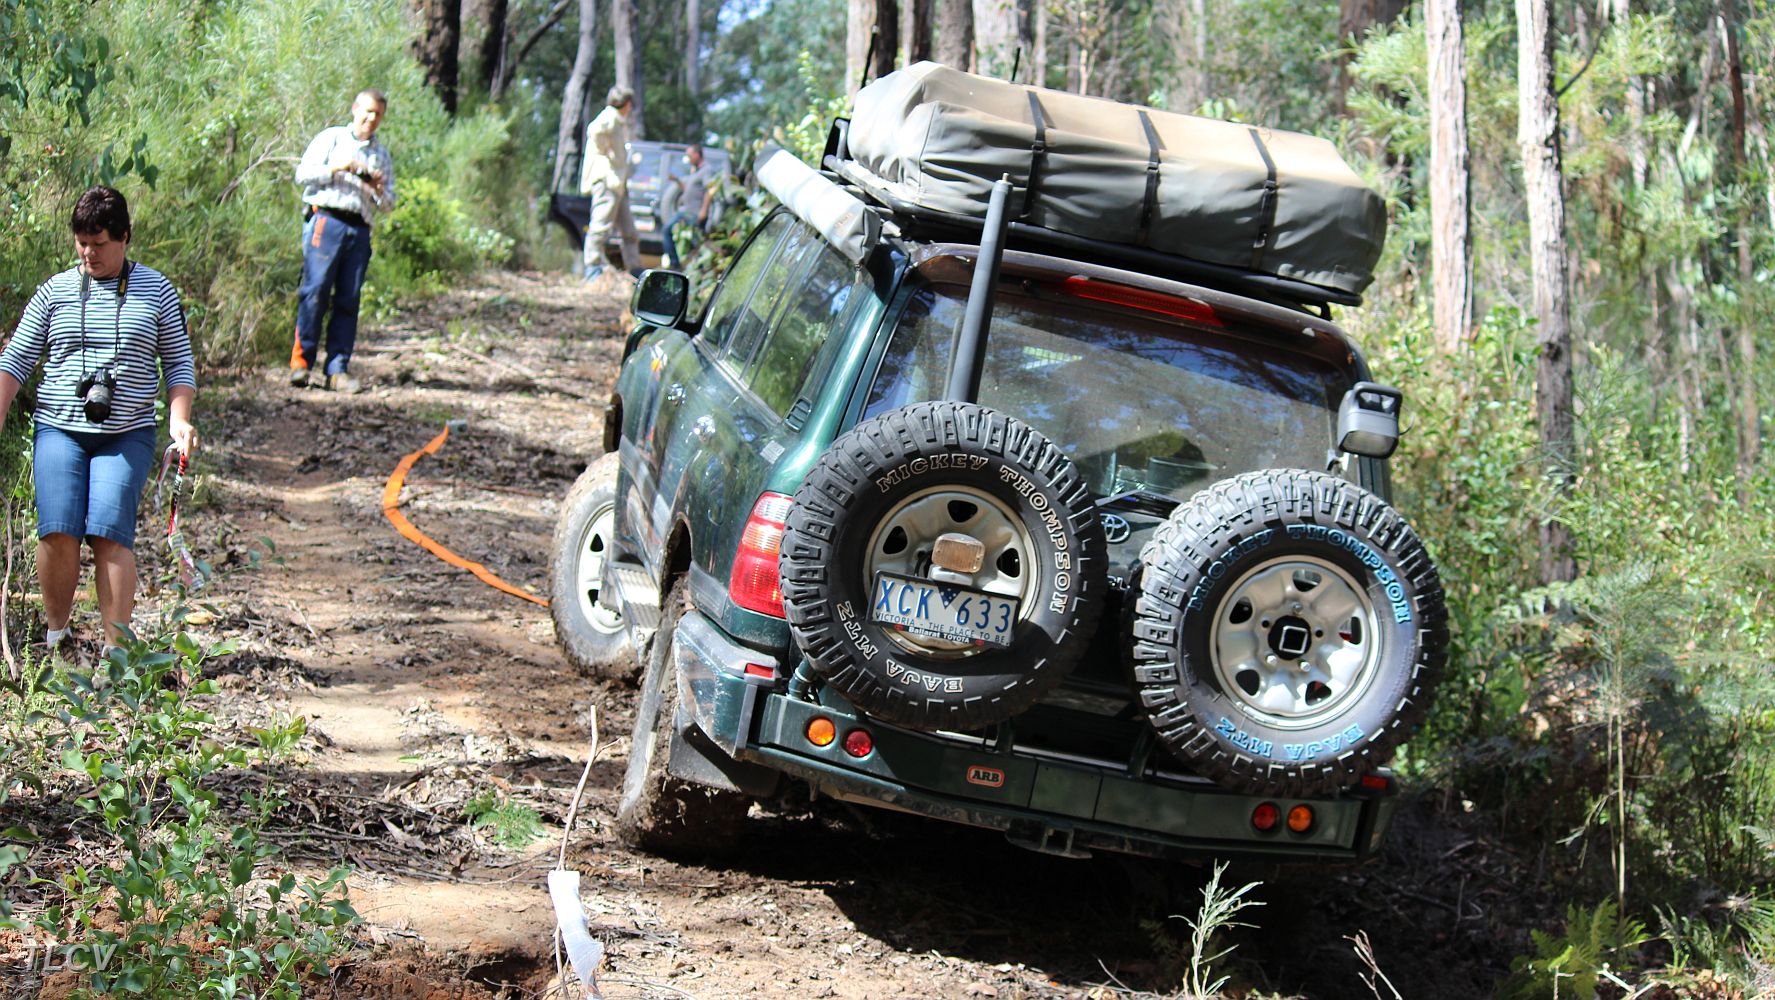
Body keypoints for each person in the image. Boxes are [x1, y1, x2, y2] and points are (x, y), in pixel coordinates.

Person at [0, 186, 198, 650]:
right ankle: (58, 638)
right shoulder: (56, 290)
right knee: (57, 528)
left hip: (125, 433)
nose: (89, 253)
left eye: (100, 243)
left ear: (125, 237)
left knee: (109, 534)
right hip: (59, 429)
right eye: (82, 242)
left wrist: (179, 419)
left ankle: (116, 653)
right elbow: (15, 361)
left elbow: (179, 362)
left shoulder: (156, 290)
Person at [291, 89, 396, 394]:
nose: (371, 118)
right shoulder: (332, 139)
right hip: (326, 219)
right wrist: (337, 167)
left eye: (377, 114)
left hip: (360, 227)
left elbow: (389, 203)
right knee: (314, 290)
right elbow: (303, 175)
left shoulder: (381, 155)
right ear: (354, 109)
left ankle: (337, 369)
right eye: (367, 111)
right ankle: (301, 364)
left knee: (349, 298)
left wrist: (376, 187)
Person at [581, 86, 640, 280]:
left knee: (629, 230)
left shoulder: (617, 121)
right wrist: (604, 151)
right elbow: (594, 130)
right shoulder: (611, 117)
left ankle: (634, 270)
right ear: (627, 104)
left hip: (617, 183)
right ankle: (592, 267)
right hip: (607, 180)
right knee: (600, 224)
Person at [662, 144, 723, 270]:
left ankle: (705, 266)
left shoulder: (706, 170)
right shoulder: (694, 171)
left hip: (695, 213)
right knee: (668, 231)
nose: (688, 159)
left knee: (698, 243)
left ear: (697, 154)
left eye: (689, 156)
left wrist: (704, 211)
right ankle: (676, 264)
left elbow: (709, 190)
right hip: (686, 211)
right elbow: (688, 190)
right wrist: (677, 181)